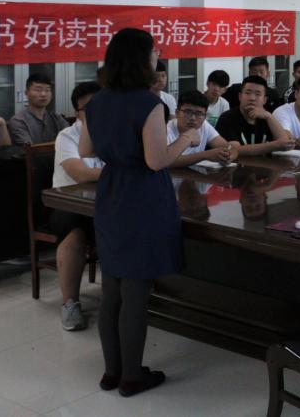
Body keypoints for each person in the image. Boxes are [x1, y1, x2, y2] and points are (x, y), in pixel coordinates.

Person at [79, 28, 189, 396]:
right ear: (141, 58)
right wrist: (186, 139)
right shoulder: (149, 102)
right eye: (154, 51)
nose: (158, 55)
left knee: (112, 288)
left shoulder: (96, 102)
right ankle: (132, 377)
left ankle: (112, 372)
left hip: (112, 193)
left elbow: (85, 149)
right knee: (137, 291)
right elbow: (156, 160)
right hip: (143, 196)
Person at [51, 81, 105, 331]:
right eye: (89, 109)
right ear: (77, 113)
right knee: (76, 234)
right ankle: (70, 303)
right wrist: (122, 172)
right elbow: (80, 174)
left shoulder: (115, 132)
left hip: (106, 202)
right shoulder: (67, 136)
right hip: (68, 204)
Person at [214, 76, 293, 155]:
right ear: (240, 96)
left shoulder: (266, 117)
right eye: (248, 93)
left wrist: (269, 117)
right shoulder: (227, 118)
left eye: (258, 94)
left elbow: (285, 143)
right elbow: (234, 150)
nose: (252, 98)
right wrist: (273, 146)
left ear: (264, 100)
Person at [167, 91, 239, 167]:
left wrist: (229, 156)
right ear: (177, 113)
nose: (193, 118)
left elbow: (228, 147)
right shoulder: (166, 129)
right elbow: (167, 161)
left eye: (199, 113)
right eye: (188, 112)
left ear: (205, 116)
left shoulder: (204, 126)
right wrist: (205, 155)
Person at [8, 72, 69, 145]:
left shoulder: (56, 118)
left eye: (47, 90)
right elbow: (29, 149)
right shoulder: (18, 121)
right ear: (26, 93)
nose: (43, 94)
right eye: (38, 90)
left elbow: (70, 139)